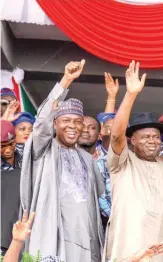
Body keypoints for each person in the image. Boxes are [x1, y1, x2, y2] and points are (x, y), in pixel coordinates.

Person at [19, 60, 105, 261]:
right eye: (65, 120)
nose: (73, 126)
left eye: (78, 122)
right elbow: (41, 121)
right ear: (54, 124)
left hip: (86, 240)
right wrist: (66, 80)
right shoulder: (44, 149)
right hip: (55, 237)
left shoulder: (87, 158)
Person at [106, 61, 163, 262]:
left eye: (155, 136)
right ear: (132, 140)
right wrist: (130, 94)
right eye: (145, 137)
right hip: (127, 253)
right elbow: (117, 135)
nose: (152, 141)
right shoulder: (123, 163)